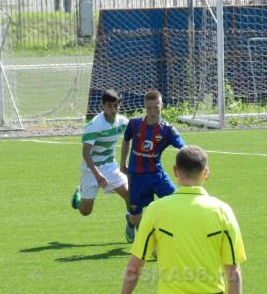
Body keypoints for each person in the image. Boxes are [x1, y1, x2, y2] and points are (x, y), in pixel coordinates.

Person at [121, 145, 246, 294]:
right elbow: (233, 271)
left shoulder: (156, 210)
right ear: (206, 173)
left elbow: (134, 268)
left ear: (175, 171)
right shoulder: (223, 211)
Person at [120, 90, 185, 242]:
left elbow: (184, 148)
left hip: (157, 175)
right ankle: (130, 220)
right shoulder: (134, 124)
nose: (153, 111)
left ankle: (162, 238)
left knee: (178, 202)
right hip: (136, 177)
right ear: (144, 107)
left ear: (161, 105)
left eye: (156, 107)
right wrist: (123, 163)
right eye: (149, 108)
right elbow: (125, 140)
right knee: (136, 217)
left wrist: (190, 164)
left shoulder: (167, 129)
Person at [71, 89, 134, 241]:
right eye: (109, 106)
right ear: (102, 106)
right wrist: (97, 174)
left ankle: (131, 223)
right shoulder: (94, 125)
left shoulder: (122, 122)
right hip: (91, 169)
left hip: (110, 166)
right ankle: (78, 198)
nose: (112, 110)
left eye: (115, 106)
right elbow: (86, 153)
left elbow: (131, 137)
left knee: (130, 195)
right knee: (86, 211)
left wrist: (125, 164)